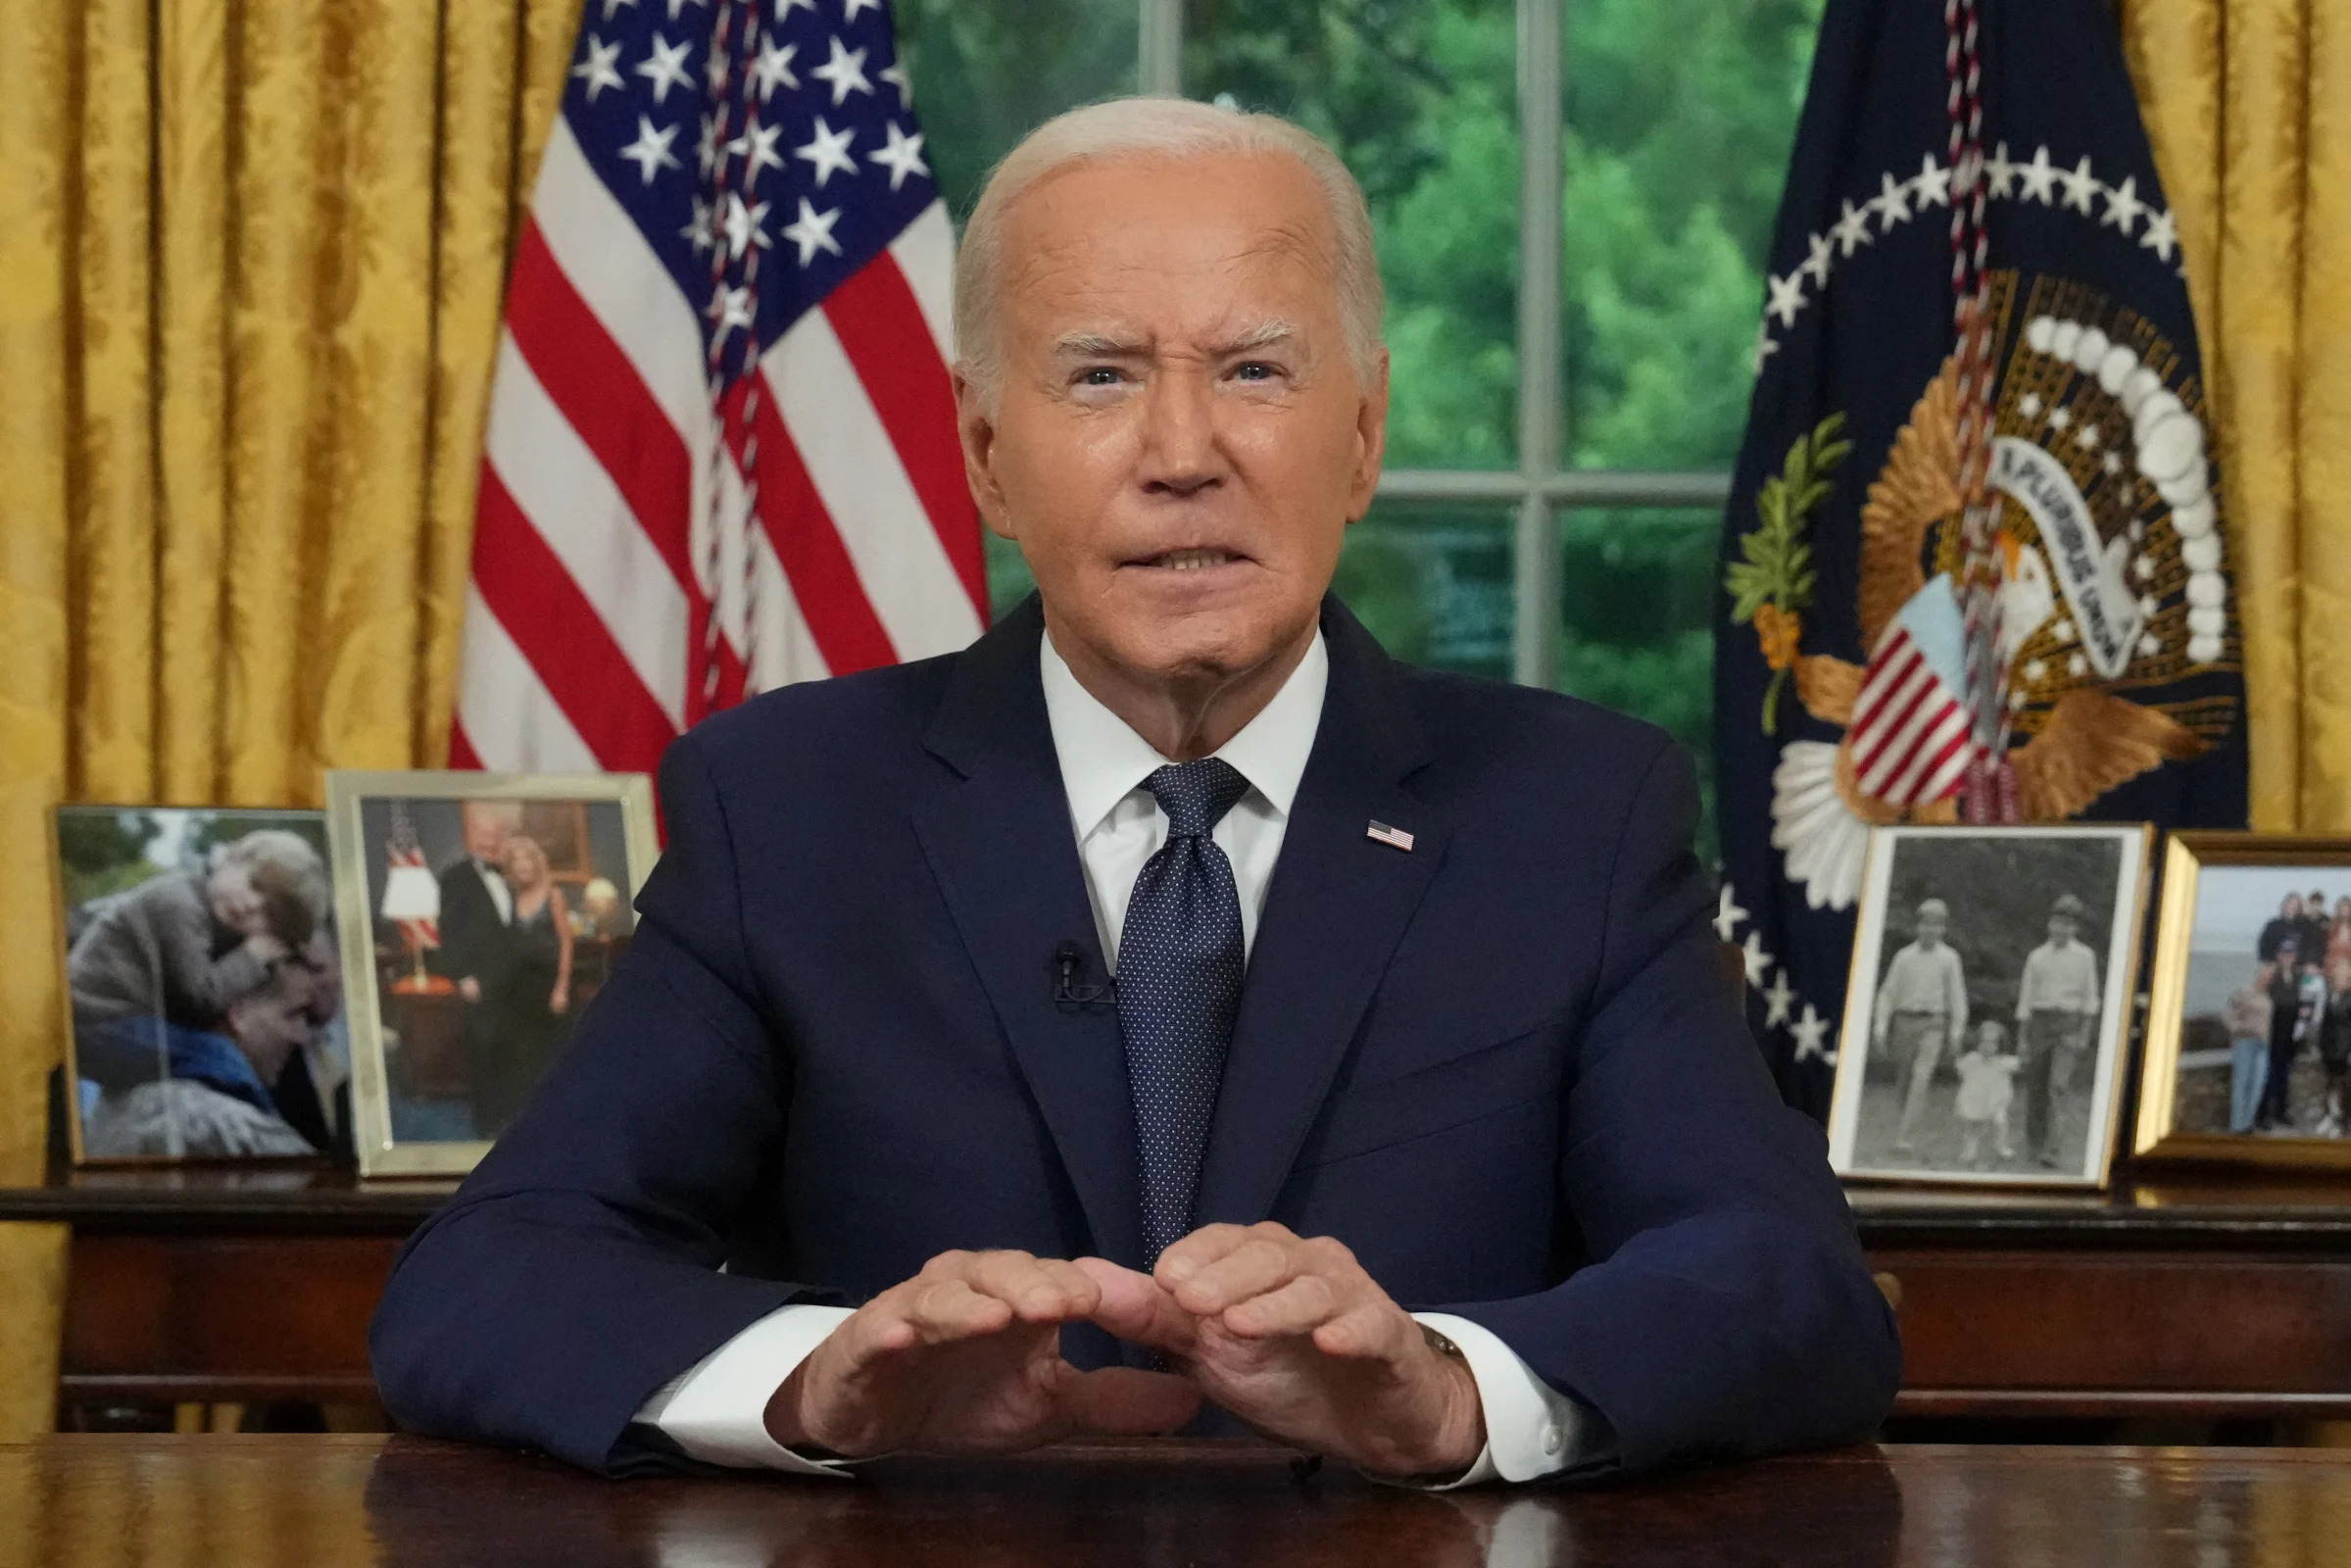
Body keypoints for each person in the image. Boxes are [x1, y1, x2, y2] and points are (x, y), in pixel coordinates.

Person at [371, 97, 1898, 1486]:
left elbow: (1780, 1282)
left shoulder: (1575, 812)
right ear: (982, 451)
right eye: (1098, 376)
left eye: (1252, 371)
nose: (1183, 454)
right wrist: (811, 1383)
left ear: (1359, 433)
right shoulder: (785, 810)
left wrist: (1448, 1394)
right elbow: (489, 1278)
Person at [69, 829, 332, 1114]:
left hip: (120, 1019)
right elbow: (198, 999)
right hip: (93, 1019)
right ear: (230, 859)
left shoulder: (211, 910)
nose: (252, 905)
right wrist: (255, 953)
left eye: (270, 914)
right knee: (219, 1056)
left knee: (212, 1053)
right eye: (256, 885)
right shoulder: (178, 903)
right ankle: (265, 1132)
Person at [81, 948, 334, 1158]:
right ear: (239, 1014)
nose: (301, 1035)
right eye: (293, 1014)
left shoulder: (120, 1101)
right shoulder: (231, 1131)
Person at [473, 834, 576, 1136]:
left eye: (527, 863)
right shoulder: (512, 897)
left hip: (548, 984)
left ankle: (554, 1119)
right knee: (519, 1052)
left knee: (550, 1052)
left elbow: (566, 943)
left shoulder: (553, 895)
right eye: (517, 865)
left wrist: (561, 988)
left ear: (536, 863)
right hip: (518, 987)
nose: (523, 869)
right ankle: (521, 1117)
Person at [1873, 898, 1969, 1155]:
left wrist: (1956, 1031)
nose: (1930, 930)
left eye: (1936, 925)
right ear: (1918, 926)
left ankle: (1904, 1138)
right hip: (1905, 1022)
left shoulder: (1949, 958)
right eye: (1925, 924)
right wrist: (1881, 1026)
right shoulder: (1904, 957)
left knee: (1921, 1079)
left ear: (1943, 929)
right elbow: (1888, 993)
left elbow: (1957, 997)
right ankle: (1902, 1126)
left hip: (1933, 1024)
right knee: (1904, 1080)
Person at [2014, 893, 2101, 1168]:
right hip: (2040, 1022)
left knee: (2058, 1086)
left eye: (2067, 924)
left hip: (2069, 1022)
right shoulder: (2037, 957)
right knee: (2037, 1086)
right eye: (2057, 922)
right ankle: (2034, 1144)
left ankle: (2053, 1148)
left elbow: (2090, 997)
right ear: (2049, 924)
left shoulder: (2085, 956)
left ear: (2075, 928)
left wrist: (2085, 1032)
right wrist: (2022, 1038)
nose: (2061, 929)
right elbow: (2026, 998)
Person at [1952, 1020, 2020, 1167]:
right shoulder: (1972, 1059)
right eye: (1983, 1042)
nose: (1987, 1046)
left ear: (2000, 1045)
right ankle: (1970, 1151)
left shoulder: (2003, 1062)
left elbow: (2019, 1064)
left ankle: (2002, 1147)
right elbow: (1960, 1069)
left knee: (1999, 1123)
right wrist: (1956, 1049)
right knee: (1972, 1126)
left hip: (1995, 1100)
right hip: (1975, 1099)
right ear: (1977, 1042)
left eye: (1992, 1043)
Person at [2225, 964, 2277, 1135]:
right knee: (2241, 1085)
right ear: (2257, 975)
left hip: (2263, 1045)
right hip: (2245, 1044)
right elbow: (2227, 1014)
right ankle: (2237, 1126)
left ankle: (2247, 1123)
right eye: (2264, 976)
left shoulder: (2269, 996)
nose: (2266, 979)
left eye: (2269, 977)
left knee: (2257, 1086)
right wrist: (2239, 1028)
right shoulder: (2244, 993)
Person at [2317, 959, 2351, 1138]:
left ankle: (2343, 1124)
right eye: (2336, 974)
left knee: (2344, 1089)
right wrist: (2321, 1045)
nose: (2337, 977)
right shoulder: (2330, 995)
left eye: (2341, 975)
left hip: (2344, 1050)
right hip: (2329, 1049)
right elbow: (2325, 1024)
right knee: (2330, 1086)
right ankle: (2330, 1116)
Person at [2259, 894, 2306, 965]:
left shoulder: (2304, 926)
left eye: (2296, 906)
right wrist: (2269, 962)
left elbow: (2307, 947)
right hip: (2275, 963)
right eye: (2290, 904)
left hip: (2297, 966)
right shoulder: (2273, 925)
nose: (2293, 908)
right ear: (2284, 906)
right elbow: (2264, 946)